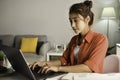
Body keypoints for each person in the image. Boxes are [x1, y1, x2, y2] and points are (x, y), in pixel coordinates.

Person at [30, 0, 108, 73]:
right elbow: (63, 60)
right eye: (70, 21)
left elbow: (89, 67)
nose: (72, 25)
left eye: (75, 20)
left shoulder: (100, 39)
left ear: (87, 19)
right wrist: (43, 63)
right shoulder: (74, 40)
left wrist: (58, 69)